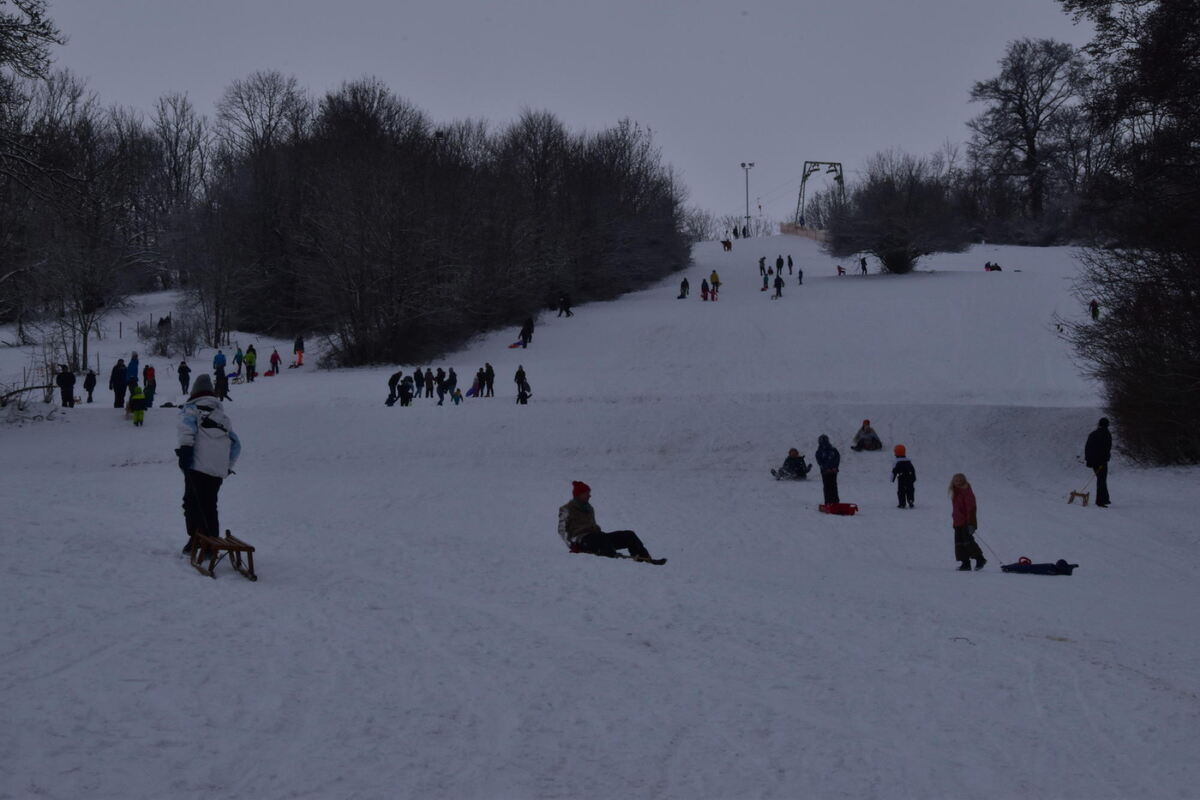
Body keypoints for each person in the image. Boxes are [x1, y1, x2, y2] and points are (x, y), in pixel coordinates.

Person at [177, 373, 241, 554]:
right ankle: (210, 541)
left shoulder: (191, 409)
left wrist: (185, 452)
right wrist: (227, 467)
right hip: (217, 472)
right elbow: (236, 445)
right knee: (209, 505)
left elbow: (186, 430)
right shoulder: (222, 417)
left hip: (196, 467)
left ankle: (197, 539)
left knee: (191, 503)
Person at [557, 481, 660, 562]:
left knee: (629, 535)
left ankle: (645, 558)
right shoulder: (566, 509)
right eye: (587, 493)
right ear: (578, 495)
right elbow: (561, 530)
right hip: (583, 541)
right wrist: (572, 545)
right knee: (600, 538)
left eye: (589, 493)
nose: (590, 496)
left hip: (598, 538)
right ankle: (613, 558)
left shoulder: (589, 508)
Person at [950, 473, 985, 570]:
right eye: (956, 480)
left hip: (966, 522)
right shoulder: (955, 492)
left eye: (960, 481)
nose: (958, 482)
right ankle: (965, 563)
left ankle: (980, 559)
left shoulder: (966, 492)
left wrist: (971, 523)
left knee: (968, 542)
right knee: (959, 543)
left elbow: (971, 508)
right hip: (958, 522)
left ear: (963, 481)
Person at [1085, 417, 1112, 508]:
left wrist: (1088, 460)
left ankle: (1105, 498)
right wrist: (1105, 458)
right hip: (1102, 461)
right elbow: (1107, 448)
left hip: (1094, 461)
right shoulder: (1106, 434)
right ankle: (1100, 501)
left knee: (1101, 479)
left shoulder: (1093, 434)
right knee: (1101, 480)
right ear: (1107, 425)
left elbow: (1087, 448)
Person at [815, 434, 841, 504]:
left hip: (833, 471)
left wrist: (835, 467)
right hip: (825, 472)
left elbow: (837, 458)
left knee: (833, 486)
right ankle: (828, 501)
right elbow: (820, 461)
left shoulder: (833, 450)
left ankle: (835, 501)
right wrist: (826, 468)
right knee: (827, 486)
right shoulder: (819, 452)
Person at [891, 444, 916, 508]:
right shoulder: (908, 461)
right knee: (910, 490)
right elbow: (913, 470)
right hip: (909, 478)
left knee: (901, 491)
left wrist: (892, 479)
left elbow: (894, 471)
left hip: (901, 478)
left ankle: (902, 503)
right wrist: (914, 478)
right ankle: (910, 500)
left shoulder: (896, 462)